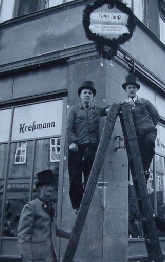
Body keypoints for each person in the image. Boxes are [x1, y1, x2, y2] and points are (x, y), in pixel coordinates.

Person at [66, 80, 109, 210]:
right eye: (85, 93)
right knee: (75, 175)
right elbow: (68, 128)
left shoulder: (97, 109)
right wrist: (72, 142)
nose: (87, 95)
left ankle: (86, 197)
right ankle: (76, 206)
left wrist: (112, 108)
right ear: (80, 95)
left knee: (89, 172)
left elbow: (108, 109)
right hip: (76, 146)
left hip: (91, 144)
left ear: (93, 96)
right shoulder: (74, 110)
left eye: (90, 93)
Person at [122, 74, 160, 181]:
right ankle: (138, 176)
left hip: (148, 131)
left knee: (148, 144)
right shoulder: (124, 104)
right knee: (134, 154)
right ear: (126, 90)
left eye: (134, 87)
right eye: (129, 88)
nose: (132, 90)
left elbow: (156, 116)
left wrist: (150, 126)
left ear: (137, 89)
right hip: (135, 135)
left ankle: (146, 169)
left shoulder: (144, 102)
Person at [18, 170, 58, 262]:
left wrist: (70, 235)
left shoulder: (52, 206)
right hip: (36, 256)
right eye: (47, 185)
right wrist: (27, 258)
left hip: (51, 255)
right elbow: (23, 235)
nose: (50, 188)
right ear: (40, 187)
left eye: (52, 185)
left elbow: (53, 229)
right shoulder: (31, 207)